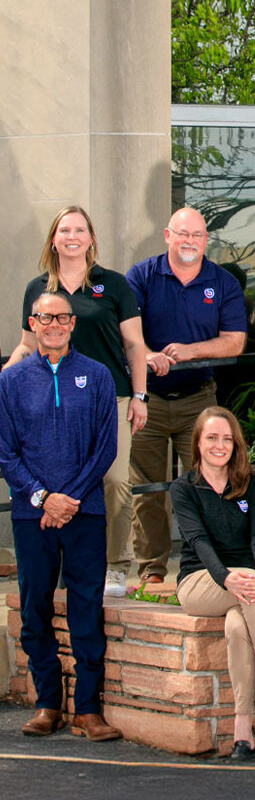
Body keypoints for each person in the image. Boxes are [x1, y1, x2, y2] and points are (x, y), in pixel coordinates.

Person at [5, 206, 148, 598]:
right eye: (64, 230)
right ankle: (63, 565)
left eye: (79, 230)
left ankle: (115, 565)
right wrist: (5, 378)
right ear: (54, 239)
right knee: (56, 481)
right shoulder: (37, 288)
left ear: (90, 238)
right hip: (51, 402)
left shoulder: (114, 284)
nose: (72, 237)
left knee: (114, 480)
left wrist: (139, 395)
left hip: (110, 398)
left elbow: (135, 344)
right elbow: (26, 346)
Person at [0, 293, 120, 740]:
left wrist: (68, 498)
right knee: (35, 608)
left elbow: (105, 448)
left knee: (86, 607)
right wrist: (42, 498)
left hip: (84, 512)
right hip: (32, 516)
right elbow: (5, 452)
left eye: (62, 318)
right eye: (45, 317)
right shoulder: (11, 380)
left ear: (72, 324)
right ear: (32, 323)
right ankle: (47, 703)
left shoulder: (98, 375)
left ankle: (88, 710)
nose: (54, 324)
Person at [127, 206, 247, 587]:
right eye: (182, 234)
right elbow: (127, 333)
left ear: (205, 239)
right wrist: (148, 356)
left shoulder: (222, 282)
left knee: (210, 481)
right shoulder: (142, 276)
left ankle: (212, 568)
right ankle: (152, 570)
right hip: (147, 398)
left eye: (196, 235)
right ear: (168, 235)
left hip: (198, 398)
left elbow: (235, 341)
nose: (189, 241)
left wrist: (188, 352)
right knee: (148, 488)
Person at [171, 407, 255, 759]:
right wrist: (228, 578)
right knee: (249, 586)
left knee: (236, 627)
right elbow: (198, 542)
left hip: (243, 584)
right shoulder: (184, 488)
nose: (220, 445)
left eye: (227, 439)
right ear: (198, 443)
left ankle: (243, 730)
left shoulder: (250, 484)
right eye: (212, 438)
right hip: (200, 580)